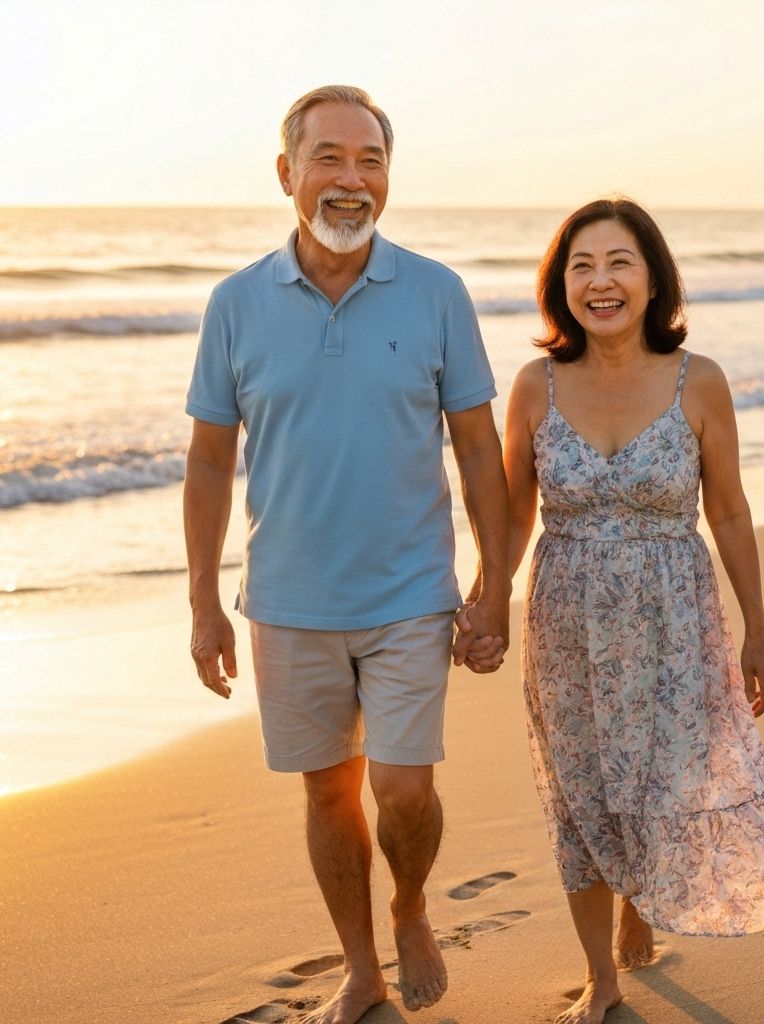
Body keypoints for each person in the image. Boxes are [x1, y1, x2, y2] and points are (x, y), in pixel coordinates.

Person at [183, 85, 509, 1024]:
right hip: (285, 601)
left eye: (370, 161)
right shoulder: (236, 304)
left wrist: (492, 583)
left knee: (404, 792)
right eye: (329, 158)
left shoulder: (437, 292)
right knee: (329, 796)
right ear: (286, 173)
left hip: (410, 594)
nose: (351, 180)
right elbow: (209, 463)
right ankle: (361, 966)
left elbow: (478, 446)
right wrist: (205, 603)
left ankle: (410, 907)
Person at [492, 198, 764, 1024]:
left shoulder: (697, 379)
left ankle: (640, 897)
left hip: (674, 616)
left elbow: (731, 510)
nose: (599, 282)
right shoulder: (534, 384)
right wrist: (484, 600)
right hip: (565, 619)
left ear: (652, 279)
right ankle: (600, 979)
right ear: (559, 285)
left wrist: (760, 629)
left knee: (666, 774)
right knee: (581, 789)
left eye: (618, 263)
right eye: (581, 266)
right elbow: (510, 511)